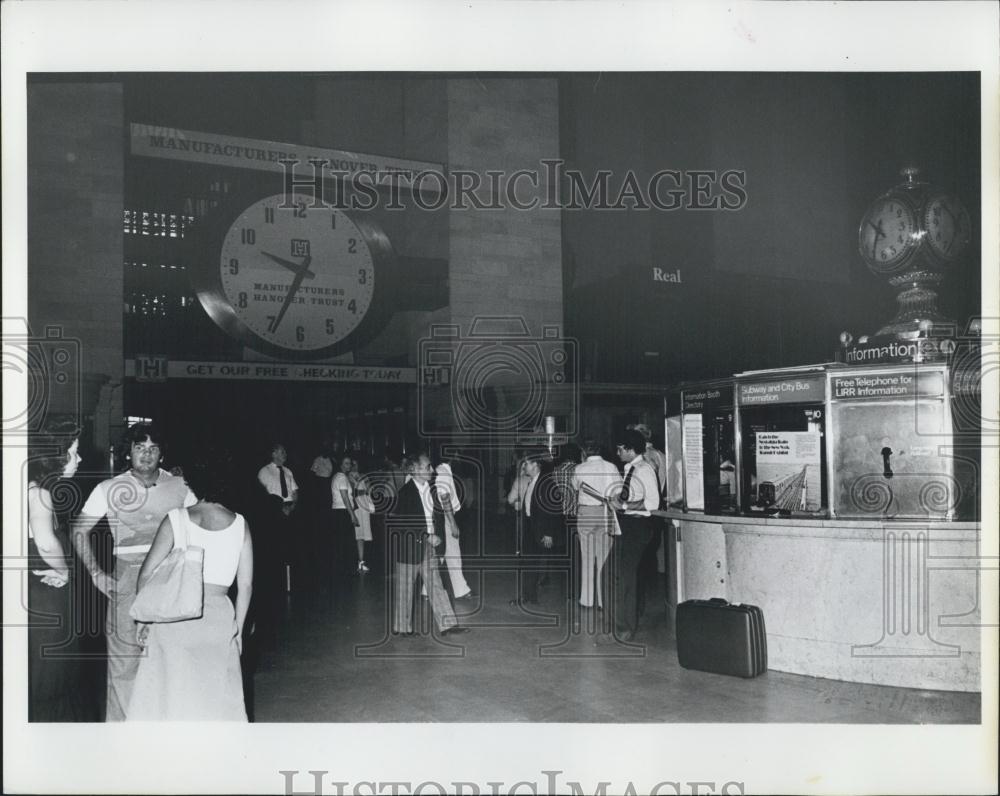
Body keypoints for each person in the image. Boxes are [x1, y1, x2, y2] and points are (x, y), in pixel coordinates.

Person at [72, 423, 195, 721]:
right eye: (140, 448)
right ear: (129, 452)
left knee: (172, 658)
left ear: (162, 454)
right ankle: (124, 737)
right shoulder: (109, 488)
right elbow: (78, 530)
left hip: (171, 578)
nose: (146, 455)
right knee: (125, 663)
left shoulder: (181, 487)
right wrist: (97, 573)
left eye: (153, 448)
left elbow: (199, 527)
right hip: (126, 579)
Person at [127, 459, 253, 720]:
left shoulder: (177, 518)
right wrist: (238, 630)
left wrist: (144, 619)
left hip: (177, 615)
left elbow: (147, 573)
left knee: (174, 696)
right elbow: (246, 585)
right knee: (216, 698)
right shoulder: (240, 523)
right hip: (219, 618)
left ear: (191, 481)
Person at [27, 423, 89, 721]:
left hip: (33, 590)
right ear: (56, 457)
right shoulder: (39, 494)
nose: (79, 460)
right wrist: (64, 571)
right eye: (74, 453)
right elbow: (45, 542)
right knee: (50, 674)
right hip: (46, 592)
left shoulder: (26, 488)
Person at [388, 453, 467, 637]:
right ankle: (402, 628)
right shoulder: (405, 493)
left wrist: (436, 535)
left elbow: (435, 515)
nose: (431, 470)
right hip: (409, 547)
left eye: (430, 466)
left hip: (428, 546)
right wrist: (427, 535)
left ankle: (448, 625)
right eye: (427, 467)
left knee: (436, 585)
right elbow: (402, 522)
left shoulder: (431, 489)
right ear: (414, 470)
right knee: (405, 587)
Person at [606, 428, 660, 643]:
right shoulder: (631, 468)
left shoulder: (644, 469)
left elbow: (653, 504)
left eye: (620, 448)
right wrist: (618, 499)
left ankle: (625, 627)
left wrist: (624, 504)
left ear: (630, 449)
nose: (617, 452)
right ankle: (622, 622)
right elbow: (632, 496)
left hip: (637, 528)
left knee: (624, 578)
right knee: (615, 575)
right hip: (627, 526)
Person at [510, 455, 565, 606]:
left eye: (526, 464)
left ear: (535, 465)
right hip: (530, 526)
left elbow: (555, 508)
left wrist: (549, 533)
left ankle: (529, 597)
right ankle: (529, 596)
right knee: (529, 563)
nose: (524, 467)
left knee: (532, 563)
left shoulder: (546, 482)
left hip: (541, 529)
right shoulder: (533, 481)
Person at [572, 439, 620, 614]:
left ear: (585, 452)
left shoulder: (580, 468)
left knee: (587, 556)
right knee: (604, 556)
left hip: (586, 512)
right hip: (606, 512)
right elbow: (618, 490)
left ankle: (587, 599)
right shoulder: (611, 467)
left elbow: (575, 487)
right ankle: (602, 600)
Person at [423, 449, 474, 601]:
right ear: (453, 456)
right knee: (444, 553)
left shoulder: (444, 470)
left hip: (442, 516)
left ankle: (458, 589)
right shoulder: (443, 472)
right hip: (444, 517)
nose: (459, 458)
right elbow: (444, 497)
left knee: (448, 554)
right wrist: (452, 523)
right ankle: (430, 589)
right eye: (457, 455)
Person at [331, 454, 362, 574]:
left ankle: (342, 569)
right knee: (346, 542)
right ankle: (346, 569)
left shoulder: (339, 477)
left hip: (339, 511)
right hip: (342, 512)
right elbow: (345, 498)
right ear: (340, 464)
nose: (349, 466)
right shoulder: (341, 478)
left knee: (342, 542)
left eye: (350, 463)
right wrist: (352, 515)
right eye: (346, 463)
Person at [348, 457, 374, 573]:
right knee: (358, 534)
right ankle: (359, 561)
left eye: (356, 464)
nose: (354, 466)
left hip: (364, 505)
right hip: (356, 505)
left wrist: (366, 483)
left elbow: (369, 489)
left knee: (363, 535)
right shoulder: (348, 476)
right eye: (352, 464)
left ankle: (361, 561)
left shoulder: (363, 475)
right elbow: (353, 491)